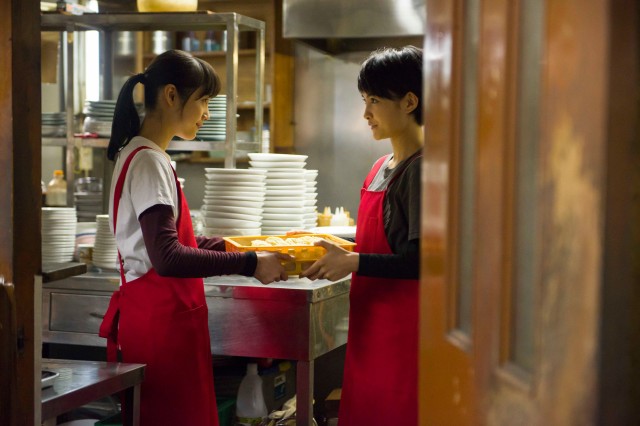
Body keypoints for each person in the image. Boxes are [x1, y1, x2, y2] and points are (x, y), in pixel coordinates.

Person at [98, 49, 291, 426]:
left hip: (161, 322)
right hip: (162, 330)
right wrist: (251, 264)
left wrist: (249, 246)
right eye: (204, 101)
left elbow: (180, 241)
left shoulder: (138, 154)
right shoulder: (149, 161)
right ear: (171, 96)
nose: (207, 113)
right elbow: (168, 257)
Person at [300, 45, 423, 425]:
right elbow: (379, 241)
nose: (365, 113)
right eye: (363, 100)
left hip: (404, 334)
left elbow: (420, 260)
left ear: (409, 101)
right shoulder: (379, 167)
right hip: (369, 329)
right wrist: (336, 248)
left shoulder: (424, 170)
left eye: (374, 100)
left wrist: (352, 260)